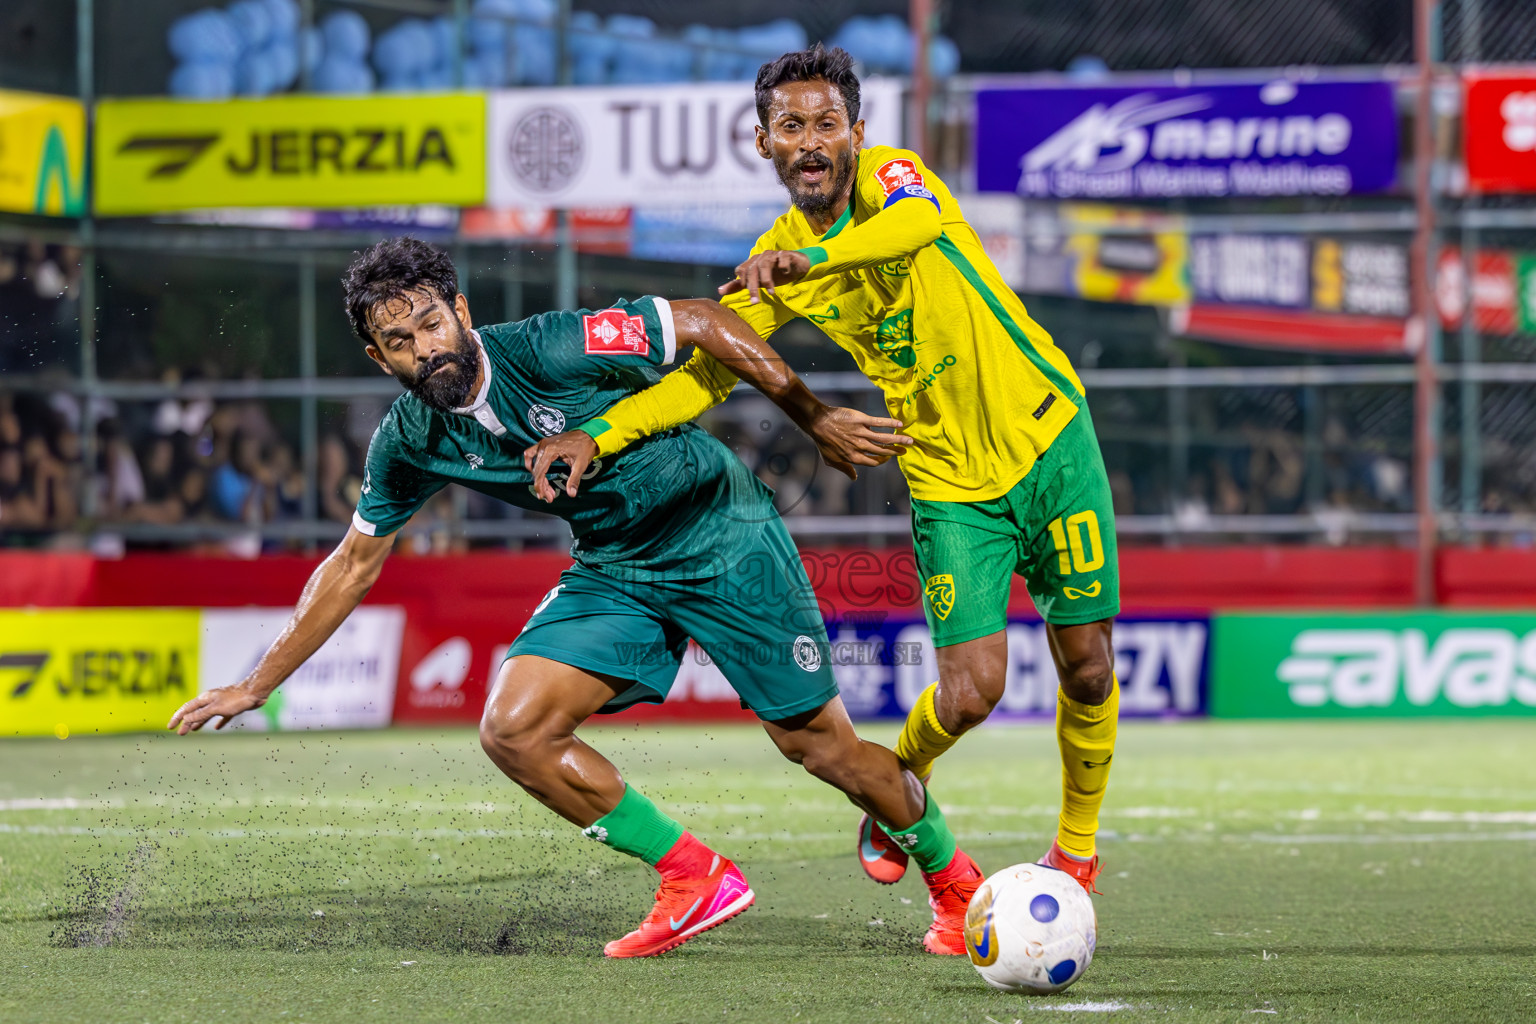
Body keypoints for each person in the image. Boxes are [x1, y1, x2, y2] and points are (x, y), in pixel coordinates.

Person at [168, 237, 983, 958]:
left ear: (461, 310)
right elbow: (351, 564)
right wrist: (257, 683)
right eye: (399, 342)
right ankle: (692, 875)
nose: (425, 349)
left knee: (822, 751)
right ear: (380, 360)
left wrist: (811, 414)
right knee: (513, 730)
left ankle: (955, 880)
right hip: (619, 563)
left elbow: (702, 320)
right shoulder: (409, 440)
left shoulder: (554, 345)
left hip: (723, 535)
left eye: (431, 324)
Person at [525, 46, 1121, 895]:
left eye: (827, 124)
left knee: (1089, 666)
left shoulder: (894, 179)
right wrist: (600, 433)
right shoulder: (769, 261)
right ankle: (896, 791)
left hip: (1052, 435)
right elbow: (701, 376)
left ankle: (1076, 846)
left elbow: (913, 229)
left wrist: (812, 263)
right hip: (949, 479)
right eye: (791, 126)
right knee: (970, 695)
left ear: (856, 134)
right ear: (763, 144)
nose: (812, 140)